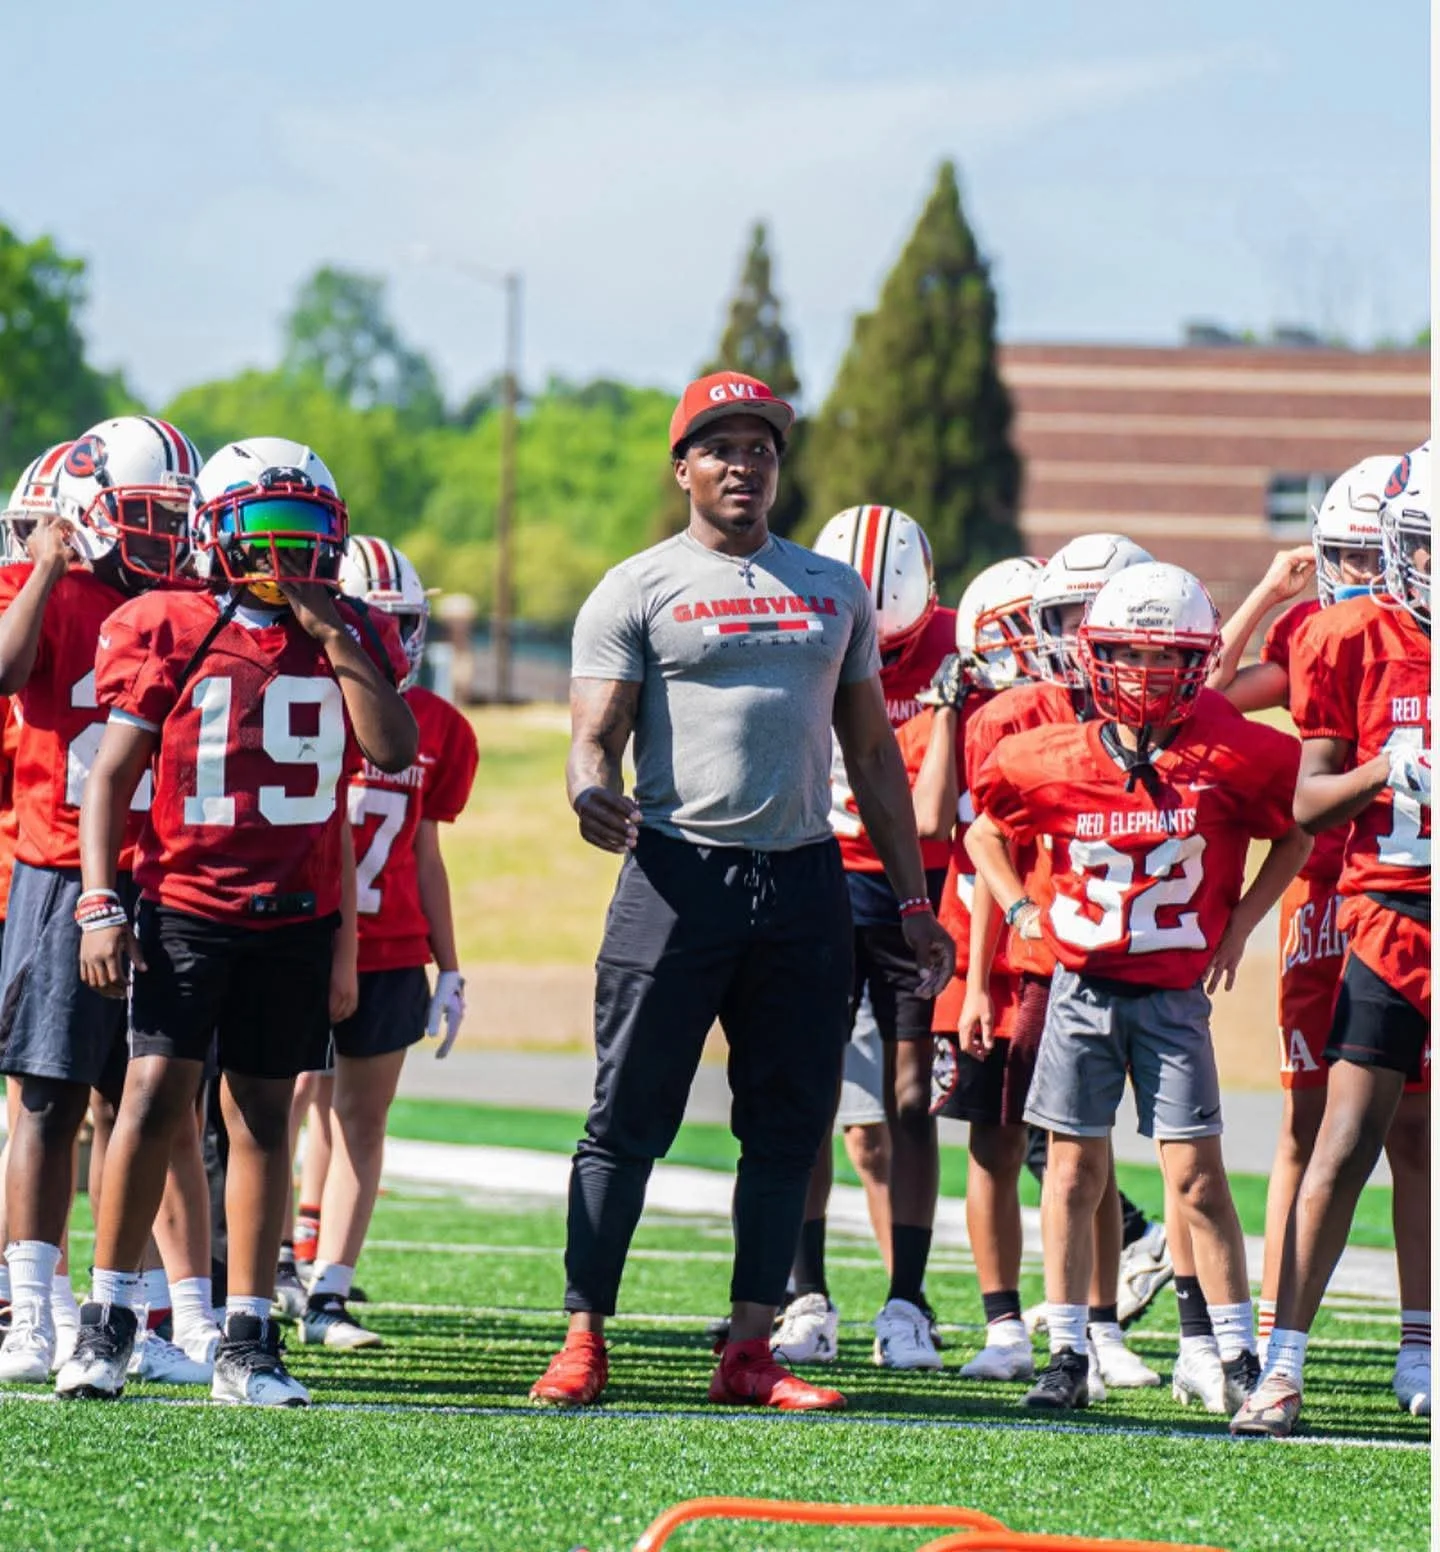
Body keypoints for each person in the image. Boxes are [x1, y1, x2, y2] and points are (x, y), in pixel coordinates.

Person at [529, 371, 954, 1413]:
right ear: (683, 467)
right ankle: (585, 1333)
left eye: (760, 447)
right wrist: (592, 792)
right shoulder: (635, 587)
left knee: (787, 1124)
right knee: (625, 1119)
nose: (743, 464)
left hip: (805, 879)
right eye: (720, 447)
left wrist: (911, 899)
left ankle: (753, 1346)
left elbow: (874, 754)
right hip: (677, 876)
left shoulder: (832, 589)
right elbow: (593, 736)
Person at [55, 437, 415, 1406]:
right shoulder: (170, 622)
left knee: (261, 1114)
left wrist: (334, 634)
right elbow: (112, 776)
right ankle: (107, 1320)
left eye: (305, 539)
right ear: (217, 534)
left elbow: (392, 748)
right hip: (185, 902)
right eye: (265, 536)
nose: (286, 560)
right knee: (150, 1098)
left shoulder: (356, 631)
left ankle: (249, 1338)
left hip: (295, 912)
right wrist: (99, 900)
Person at [966, 561, 1312, 1412]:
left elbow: (1299, 832)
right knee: (1072, 1174)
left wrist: (1240, 923)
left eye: (1169, 657)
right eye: (1127, 653)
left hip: (1170, 997)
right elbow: (982, 833)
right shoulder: (1043, 753)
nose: (1147, 674)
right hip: (1081, 988)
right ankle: (1068, 1353)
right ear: (1093, 653)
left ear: (1200, 661)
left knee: (1196, 1174)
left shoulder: (1240, 749)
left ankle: (1236, 1354)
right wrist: (1018, 910)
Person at [0, 418, 215, 1388]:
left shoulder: (191, 602)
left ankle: (126, 1312)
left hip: (164, 872)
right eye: (144, 515)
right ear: (90, 510)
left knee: (158, 1103)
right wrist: (46, 566)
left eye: (177, 516)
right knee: (46, 1099)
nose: (166, 535)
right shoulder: (51, 587)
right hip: (58, 865)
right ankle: (32, 1312)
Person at [1207, 457, 1428, 1390]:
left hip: (1384, 891)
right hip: (1363, 901)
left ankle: (1418, 1341)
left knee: (1413, 1134)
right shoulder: (1336, 633)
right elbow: (1212, 695)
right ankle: (1277, 1345)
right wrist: (1263, 592)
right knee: (1322, 1125)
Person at [934, 537, 1167, 1395]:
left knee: (1085, 1148)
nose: (1074, 632)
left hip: (1090, 956)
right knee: (1000, 1144)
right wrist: (977, 983)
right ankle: (1006, 1322)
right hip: (1017, 956)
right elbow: (990, 853)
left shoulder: (1153, 720)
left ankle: (1098, 1327)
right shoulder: (1008, 716)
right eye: (1064, 616)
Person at [771, 504, 955, 1372]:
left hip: (920, 887)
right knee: (808, 1094)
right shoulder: (802, 613)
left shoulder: (957, 646)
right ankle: (804, 1290)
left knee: (912, 1099)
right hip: (823, 875)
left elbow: (934, 810)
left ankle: (907, 1298)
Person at [292, 535, 478, 1349]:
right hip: (299, 935)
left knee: (362, 1118)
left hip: (394, 945)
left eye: (407, 623)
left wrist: (452, 963)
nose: (397, 640)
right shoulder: (302, 700)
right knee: (284, 1103)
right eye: (383, 622)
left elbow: (426, 852)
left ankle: (328, 1289)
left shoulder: (438, 726)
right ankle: (266, 1266)